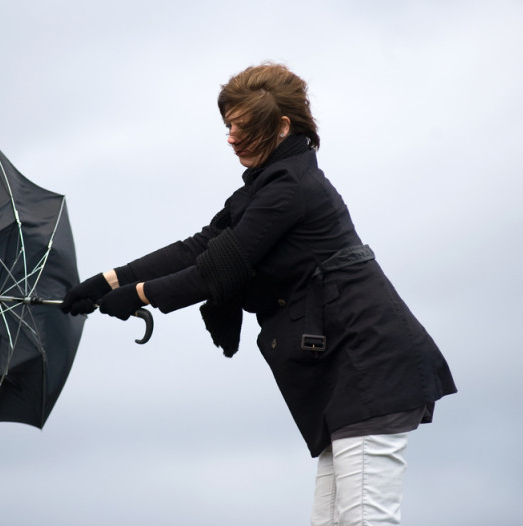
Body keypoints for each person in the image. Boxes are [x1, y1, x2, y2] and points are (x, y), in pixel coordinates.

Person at [61, 63, 456, 525]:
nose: (230, 137)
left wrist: (139, 295)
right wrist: (109, 281)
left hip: (369, 368)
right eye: (227, 126)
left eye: (242, 126)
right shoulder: (266, 188)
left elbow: (218, 269)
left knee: (366, 520)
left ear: (282, 126)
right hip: (344, 375)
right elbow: (202, 246)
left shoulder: (291, 188)